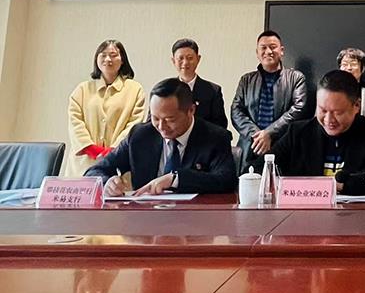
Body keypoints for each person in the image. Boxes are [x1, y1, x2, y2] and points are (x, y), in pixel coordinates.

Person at [85, 78, 236, 195]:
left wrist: (176, 179)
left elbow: (226, 180)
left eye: (170, 120)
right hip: (146, 218)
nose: (161, 127)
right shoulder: (139, 136)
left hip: (195, 219)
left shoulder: (215, 137)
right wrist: (107, 183)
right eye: (155, 118)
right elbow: (94, 172)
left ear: (191, 110)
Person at [269, 70, 365, 194]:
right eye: (323, 110)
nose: (328, 120)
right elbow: (263, 167)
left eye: (338, 113)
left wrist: (343, 186)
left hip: (357, 210)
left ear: (356, 106)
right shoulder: (298, 132)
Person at [63, 39, 146, 177]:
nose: (108, 59)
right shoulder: (82, 89)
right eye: (103, 55)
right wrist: (92, 149)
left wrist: (114, 150)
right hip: (83, 162)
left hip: (118, 161)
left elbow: (134, 124)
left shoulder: (135, 89)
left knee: (114, 189)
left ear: (122, 60)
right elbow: (75, 121)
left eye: (113, 55)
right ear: (97, 58)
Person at [231, 30, 307, 172]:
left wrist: (269, 133)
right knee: (247, 183)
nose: (268, 51)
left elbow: (298, 109)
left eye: (273, 47)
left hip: (282, 147)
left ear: (281, 51)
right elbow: (236, 111)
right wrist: (258, 136)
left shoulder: (296, 78)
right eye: (263, 48)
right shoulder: (246, 80)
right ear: (257, 52)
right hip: (251, 146)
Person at [170, 38, 228, 129]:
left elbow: (220, 125)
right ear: (173, 61)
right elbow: (153, 124)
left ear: (198, 59)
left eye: (190, 58)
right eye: (180, 58)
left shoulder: (213, 91)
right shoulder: (165, 90)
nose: (185, 63)